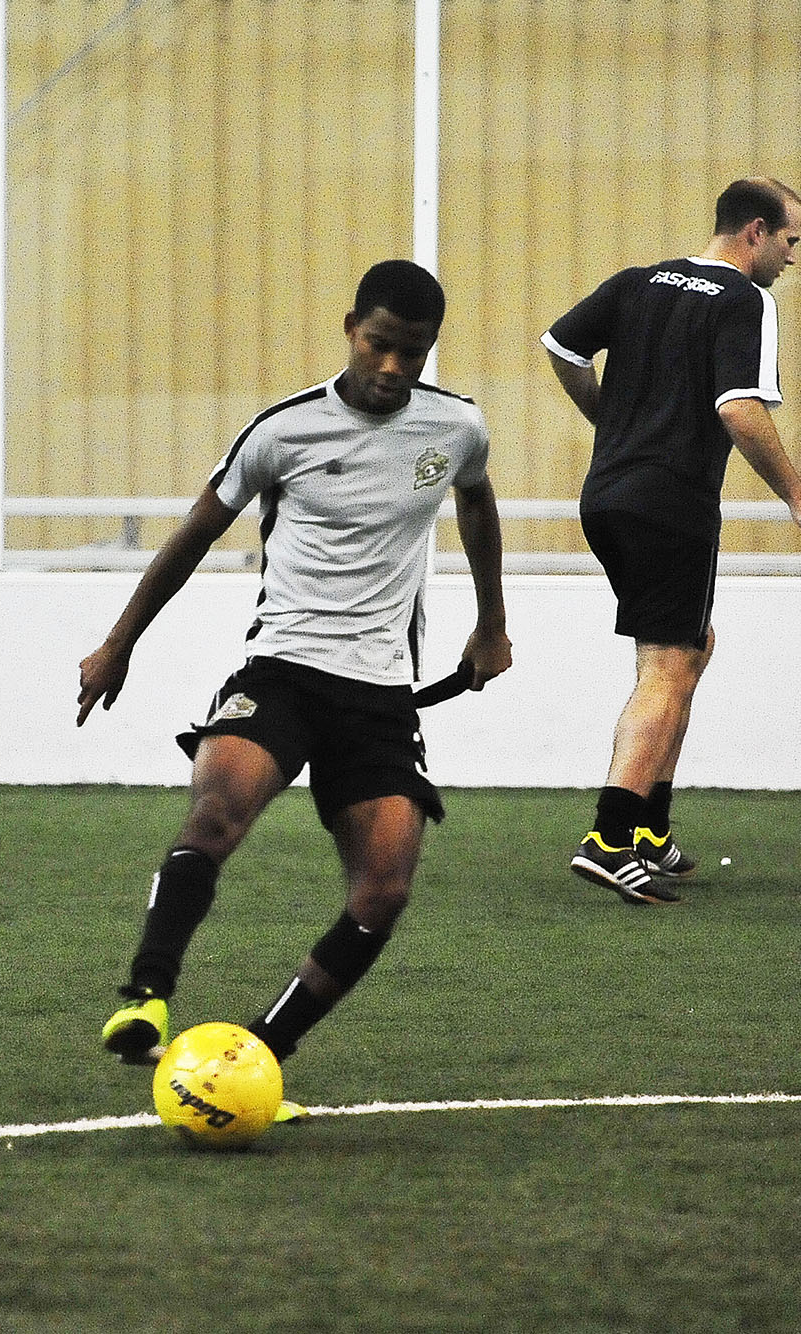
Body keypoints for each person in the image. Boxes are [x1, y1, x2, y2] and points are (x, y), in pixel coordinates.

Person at [77, 260, 512, 1084]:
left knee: (383, 891)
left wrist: (492, 625)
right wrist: (118, 643)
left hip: (381, 691)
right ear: (351, 328)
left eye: (411, 354)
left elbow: (478, 502)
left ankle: (258, 1054)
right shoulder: (282, 430)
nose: (392, 367)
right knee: (216, 812)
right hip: (282, 670)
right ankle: (144, 995)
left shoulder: (456, 429)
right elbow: (196, 532)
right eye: (380, 344)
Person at [543, 177, 801, 905]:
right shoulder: (744, 300)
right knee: (667, 665)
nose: (792, 260)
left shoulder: (639, 283)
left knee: (689, 644)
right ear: (755, 233)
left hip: (606, 495)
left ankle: (649, 831)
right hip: (671, 502)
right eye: (791, 242)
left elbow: (560, 347)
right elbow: (738, 410)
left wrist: (610, 422)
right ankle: (612, 838)